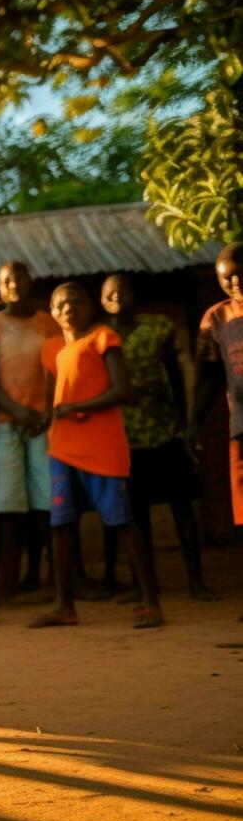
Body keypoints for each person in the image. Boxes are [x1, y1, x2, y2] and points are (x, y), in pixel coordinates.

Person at [34, 283, 163, 629]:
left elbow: (123, 390)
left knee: (121, 521)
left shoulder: (103, 337)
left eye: (75, 301)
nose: (67, 308)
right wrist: (44, 418)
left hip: (102, 446)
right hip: (61, 446)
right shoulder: (51, 349)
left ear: (89, 306)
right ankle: (64, 606)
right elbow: (53, 401)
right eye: (60, 304)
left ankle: (151, 601)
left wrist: (78, 407)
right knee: (61, 525)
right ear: (52, 311)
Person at [101, 273, 214, 602]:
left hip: (163, 429)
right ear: (103, 301)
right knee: (136, 514)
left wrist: (185, 423)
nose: (118, 295)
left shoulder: (158, 326)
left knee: (182, 506)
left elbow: (176, 377)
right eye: (110, 293)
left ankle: (197, 581)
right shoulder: (100, 336)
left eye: (123, 289)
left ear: (134, 294)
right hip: (124, 435)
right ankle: (144, 584)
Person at [0, 262, 61, 625]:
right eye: (6, 280)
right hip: (6, 428)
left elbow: (58, 371)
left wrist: (48, 413)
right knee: (0, 511)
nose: (14, 284)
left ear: (30, 280)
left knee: (52, 507)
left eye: (19, 277)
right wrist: (17, 411)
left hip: (44, 426)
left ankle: (63, 589)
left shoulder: (49, 324)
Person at [190, 243, 243, 623]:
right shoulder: (215, 318)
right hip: (239, 425)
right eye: (227, 277)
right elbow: (207, 377)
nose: (236, 281)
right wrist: (192, 421)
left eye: (240, 273)